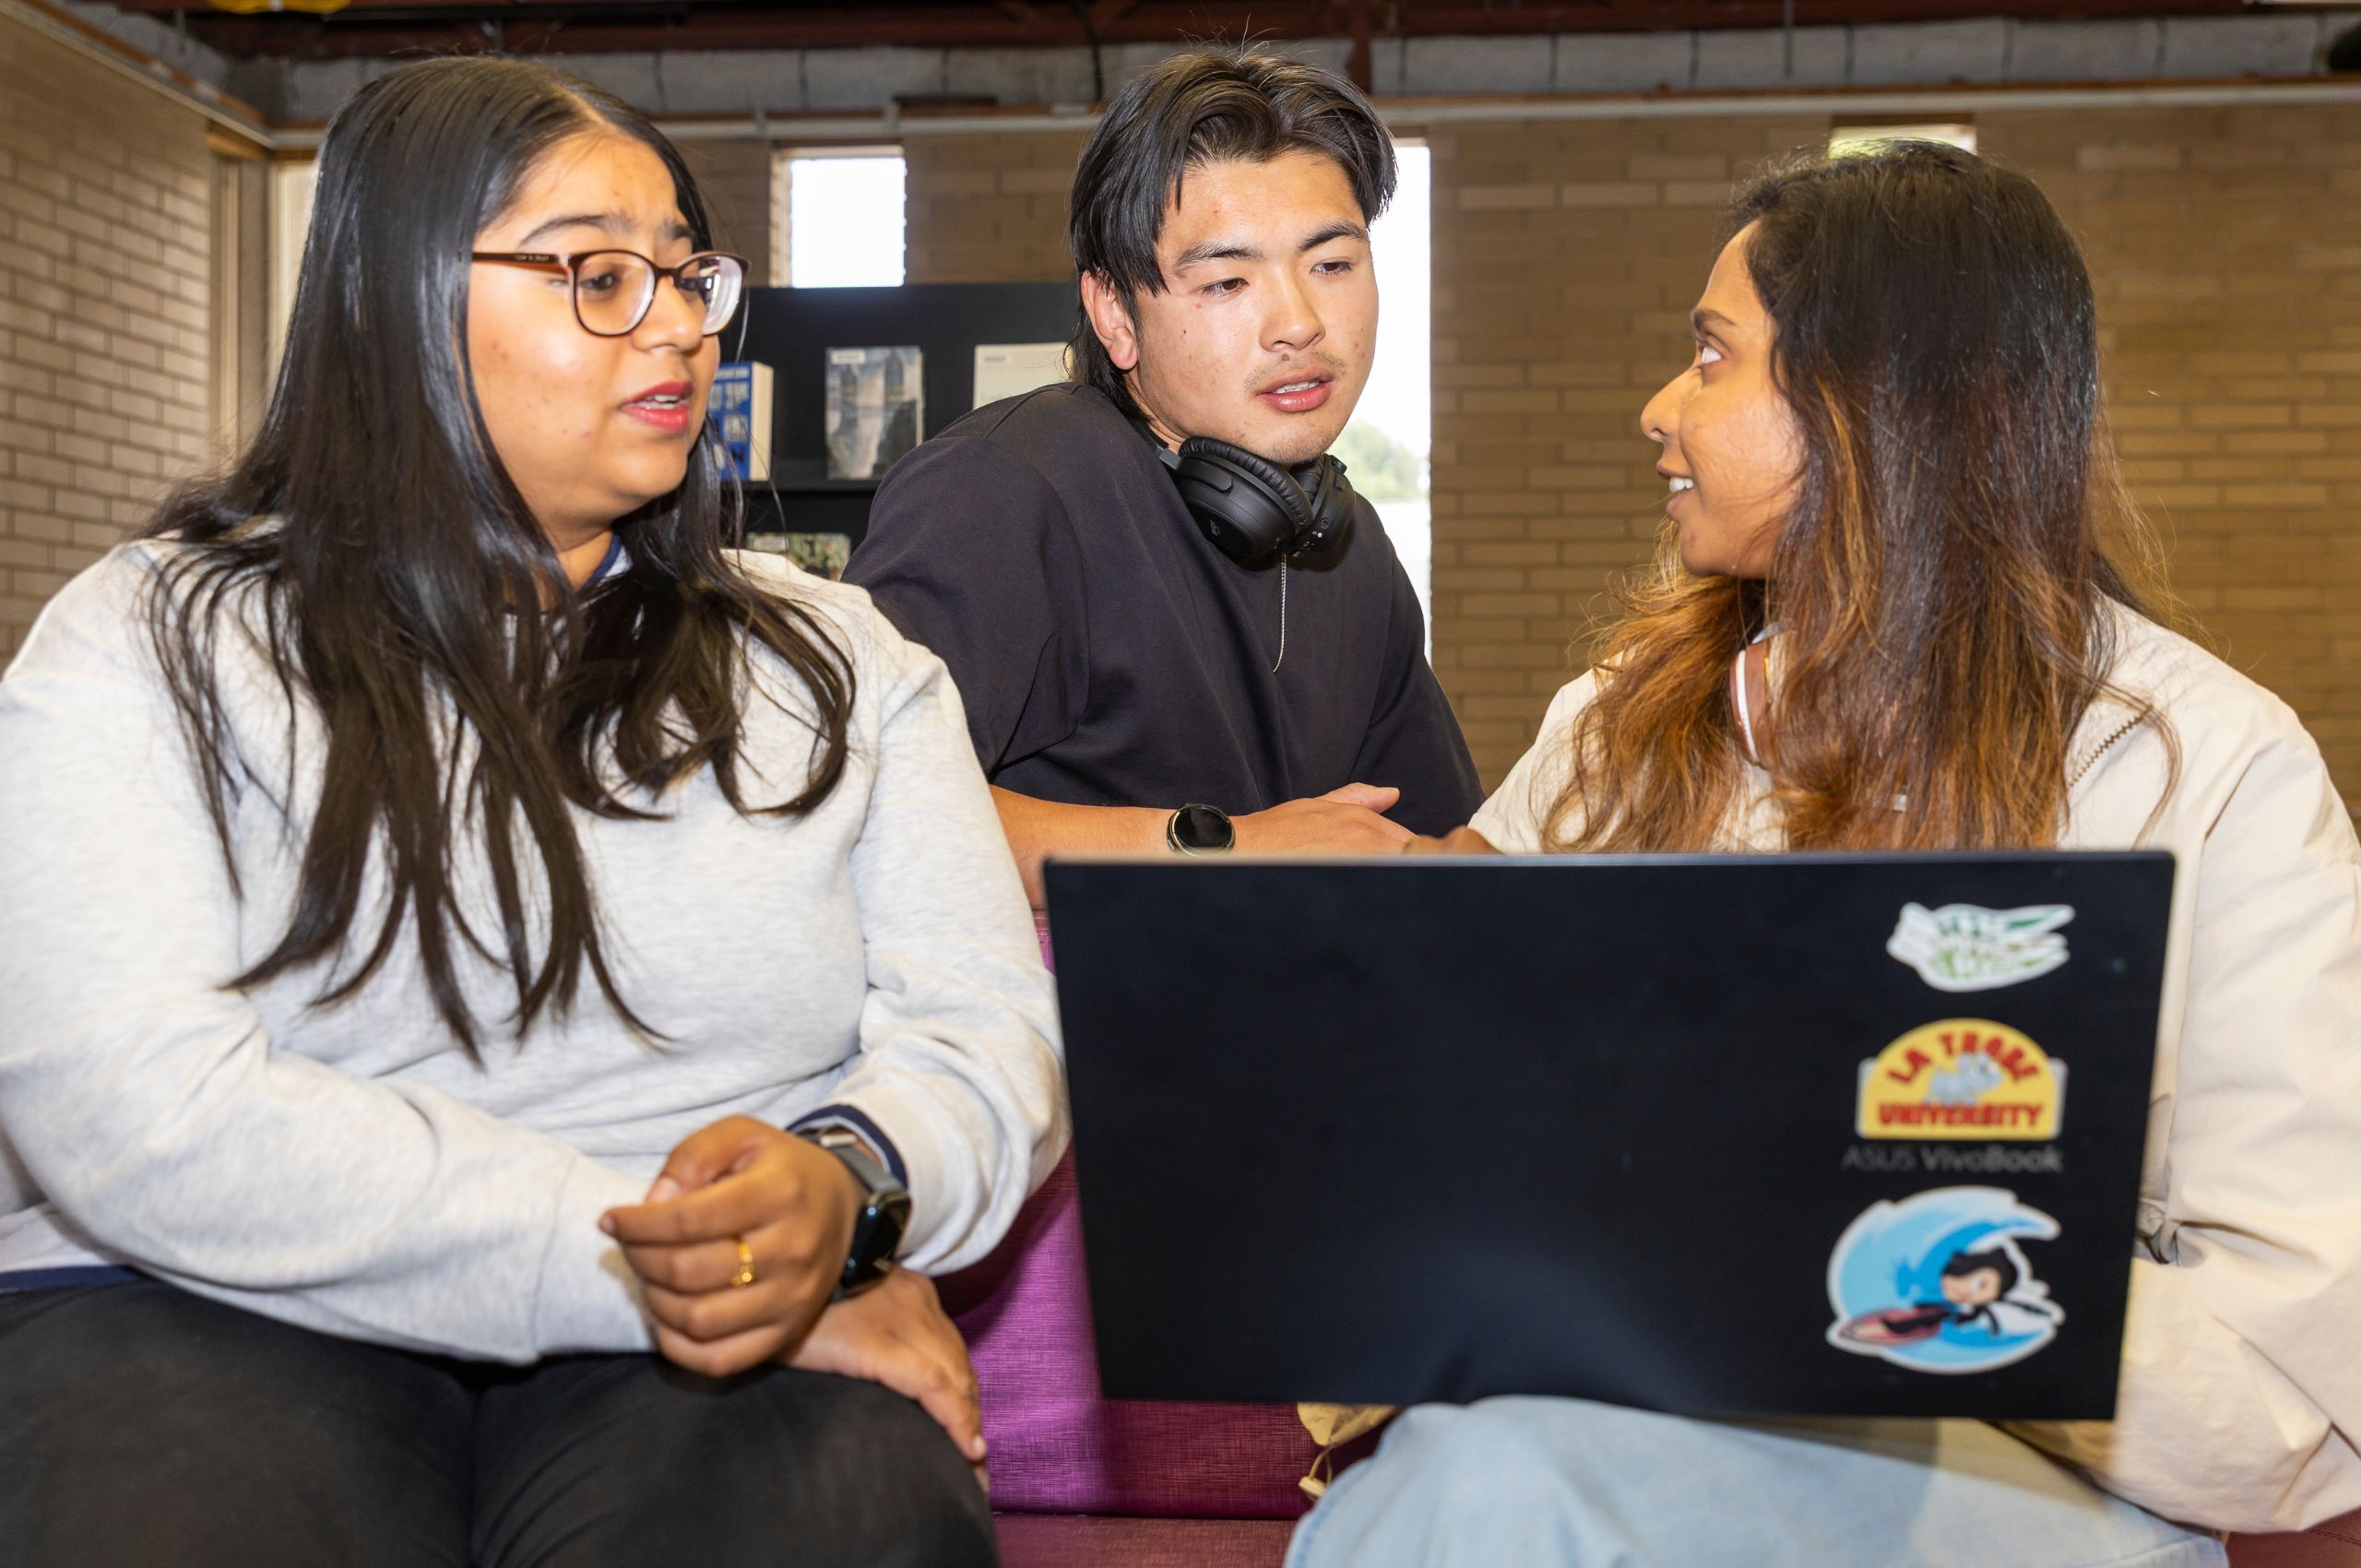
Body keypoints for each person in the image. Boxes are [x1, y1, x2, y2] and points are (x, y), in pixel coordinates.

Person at [0, 57, 1063, 1568]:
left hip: (723, 1330)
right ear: (400, 302)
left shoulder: (841, 661)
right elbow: (136, 1105)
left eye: (687, 274)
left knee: (842, 1524)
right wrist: (659, 1255)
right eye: (601, 276)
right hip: (194, 1297)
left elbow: (985, 1034)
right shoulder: (150, 637)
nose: (681, 325)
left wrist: (848, 1180)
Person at [1302, 142, 2360, 1564]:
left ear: (1871, 409)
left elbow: (2295, 1404)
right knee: (1465, 1467)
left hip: (2022, 1487)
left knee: (1490, 1488)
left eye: (1711, 356)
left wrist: (1850, 1237)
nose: (1659, 407)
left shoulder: (2211, 770)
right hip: (1624, 1424)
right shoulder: (1622, 720)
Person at [846, 47, 1482, 905]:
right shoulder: (1002, 490)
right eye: (1226, 281)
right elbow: (855, 806)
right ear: (1115, 313)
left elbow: (1431, 838)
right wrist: (1224, 847)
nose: (1298, 322)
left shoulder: (1346, 538)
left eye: (1332, 265)